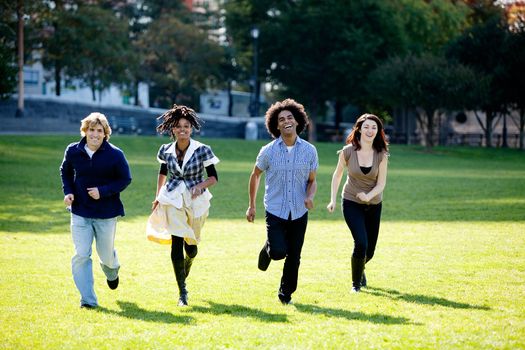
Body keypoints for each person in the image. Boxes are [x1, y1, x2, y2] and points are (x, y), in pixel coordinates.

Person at [246, 98, 318, 305]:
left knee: (294, 255)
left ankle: (285, 294)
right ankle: (268, 248)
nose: (286, 121)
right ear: (276, 125)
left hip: (299, 211)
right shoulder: (268, 151)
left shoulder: (310, 151)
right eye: (281, 119)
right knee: (278, 252)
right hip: (275, 209)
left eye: (290, 117)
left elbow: (312, 181)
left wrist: (310, 196)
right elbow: (255, 175)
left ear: (297, 121)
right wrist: (252, 206)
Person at [147, 104, 219, 306]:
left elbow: (213, 177)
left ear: (191, 128)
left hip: (197, 201)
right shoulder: (165, 150)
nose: (182, 129)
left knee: (192, 247)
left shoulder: (203, 150)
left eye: (186, 126)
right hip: (172, 198)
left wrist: (200, 186)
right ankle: (182, 293)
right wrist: (157, 196)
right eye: (178, 126)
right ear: (172, 129)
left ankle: (190, 259)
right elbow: (162, 173)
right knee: (177, 240)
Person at [60, 112, 132, 309]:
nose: (95, 134)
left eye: (99, 131)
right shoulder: (73, 150)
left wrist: (103, 191)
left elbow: (125, 179)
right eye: (91, 130)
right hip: (80, 211)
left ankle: (112, 271)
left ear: (105, 133)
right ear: (85, 131)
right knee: (81, 255)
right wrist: (68, 192)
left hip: (106, 213)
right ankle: (88, 301)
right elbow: (65, 172)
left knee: (106, 254)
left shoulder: (115, 154)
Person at [326, 113, 389, 292]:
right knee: (361, 242)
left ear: (378, 132)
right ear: (359, 129)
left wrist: (368, 197)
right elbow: (337, 175)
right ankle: (355, 285)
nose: (370, 130)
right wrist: (332, 200)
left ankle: (360, 266)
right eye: (366, 127)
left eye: (374, 128)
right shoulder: (347, 151)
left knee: (370, 251)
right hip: (351, 201)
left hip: (374, 204)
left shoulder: (381, 154)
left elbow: (381, 183)